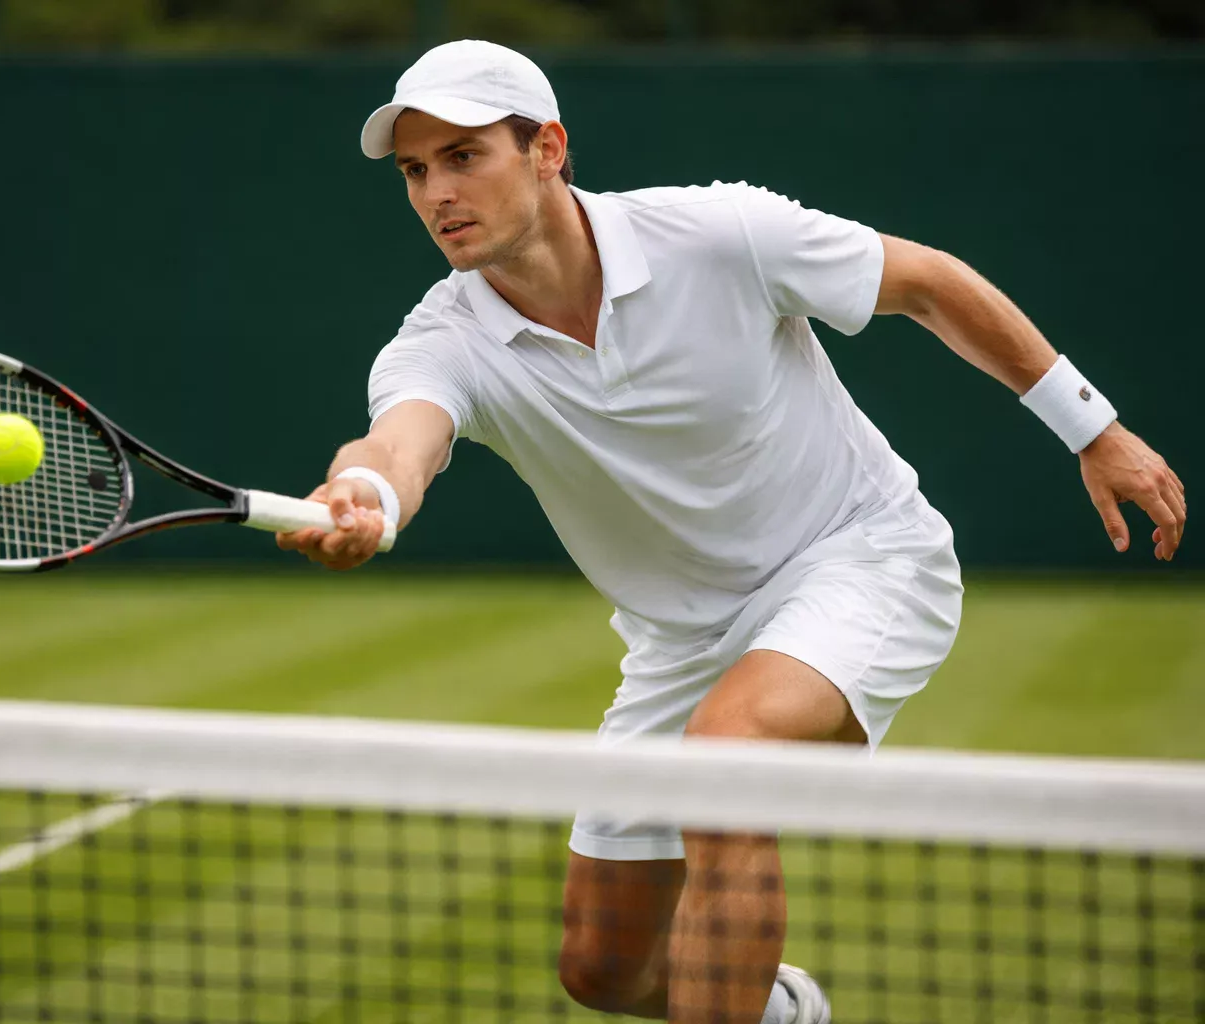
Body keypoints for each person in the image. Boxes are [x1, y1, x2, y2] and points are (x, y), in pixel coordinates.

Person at [275, 39, 1186, 1024]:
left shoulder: (719, 232)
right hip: (682, 642)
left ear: (547, 149)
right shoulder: (440, 339)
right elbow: (399, 441)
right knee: (604, 972)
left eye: (463, 156)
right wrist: (363, 491)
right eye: (415, 170)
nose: (435, 192)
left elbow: (925, 283)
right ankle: (781, 1010)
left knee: (726, 755)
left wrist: (1094, 429)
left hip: (861, 559)